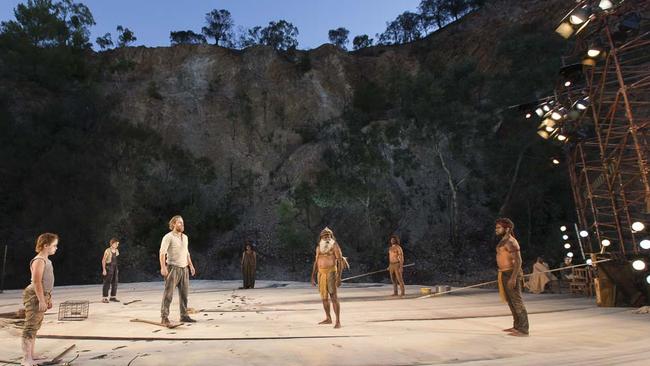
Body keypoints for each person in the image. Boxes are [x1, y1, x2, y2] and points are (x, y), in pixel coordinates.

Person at [21, 233, 59, 366]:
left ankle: (32, 355)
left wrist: (48, 298)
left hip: (42, 294)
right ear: (45, 245)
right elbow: (37, 282)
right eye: (54, 245)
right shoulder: (39, 260)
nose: (56, 248)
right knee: (30, 326)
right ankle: (26, 359)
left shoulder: (47, 260)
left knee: (35, 326)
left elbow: (46, 282)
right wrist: (41, 300)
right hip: (34, 295)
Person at [159, 215, 197, 326]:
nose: (182, 224)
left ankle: (184, 315)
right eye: (179, 222)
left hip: (184, 268)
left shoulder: (185, 237)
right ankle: (164, 317)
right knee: (168, 294)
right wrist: (163, 267)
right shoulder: (168, 237)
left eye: (183, 222)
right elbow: (162, 253)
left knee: (184, 294)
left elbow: (187, 252)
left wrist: (191, 265)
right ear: (173, 224)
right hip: (173, 268)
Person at [495, 218, 529, 337]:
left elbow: (518, 261)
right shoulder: (503, 241)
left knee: (517, 300)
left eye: (499, 227)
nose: (496, 229)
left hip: (511, 273)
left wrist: (513, 277)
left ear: (507, 228)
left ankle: (524, 329)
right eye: (496, 227)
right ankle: (517, 326)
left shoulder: (511, 241)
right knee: (510, 300)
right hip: (504, 273)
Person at [310, 227, 348, 329]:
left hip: (331, 272)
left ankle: (338, 321)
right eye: (324, 235)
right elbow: (316, 262)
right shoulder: (319, 247)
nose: (327, 237)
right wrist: (312, 276)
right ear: (321, 237)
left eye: (328, 235)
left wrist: (339, 277)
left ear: (331, 236)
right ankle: (328, 318)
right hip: (321, 274)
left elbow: (340, 261)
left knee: (333, 297)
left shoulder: (334, 246)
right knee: (324, 298)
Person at [101, 238, 120, 303]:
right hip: (109, 267)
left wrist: (116, 269)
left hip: (115, 267)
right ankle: (104, 298)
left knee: (115, 282)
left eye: (118, 244)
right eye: (116, 244)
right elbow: (103, 260)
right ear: (112, 243)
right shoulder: (107, 250)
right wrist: (104, 270)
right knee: (107, 283)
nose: (117, 245)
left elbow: (115, 260)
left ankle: (113, 297)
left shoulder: (116, 250)